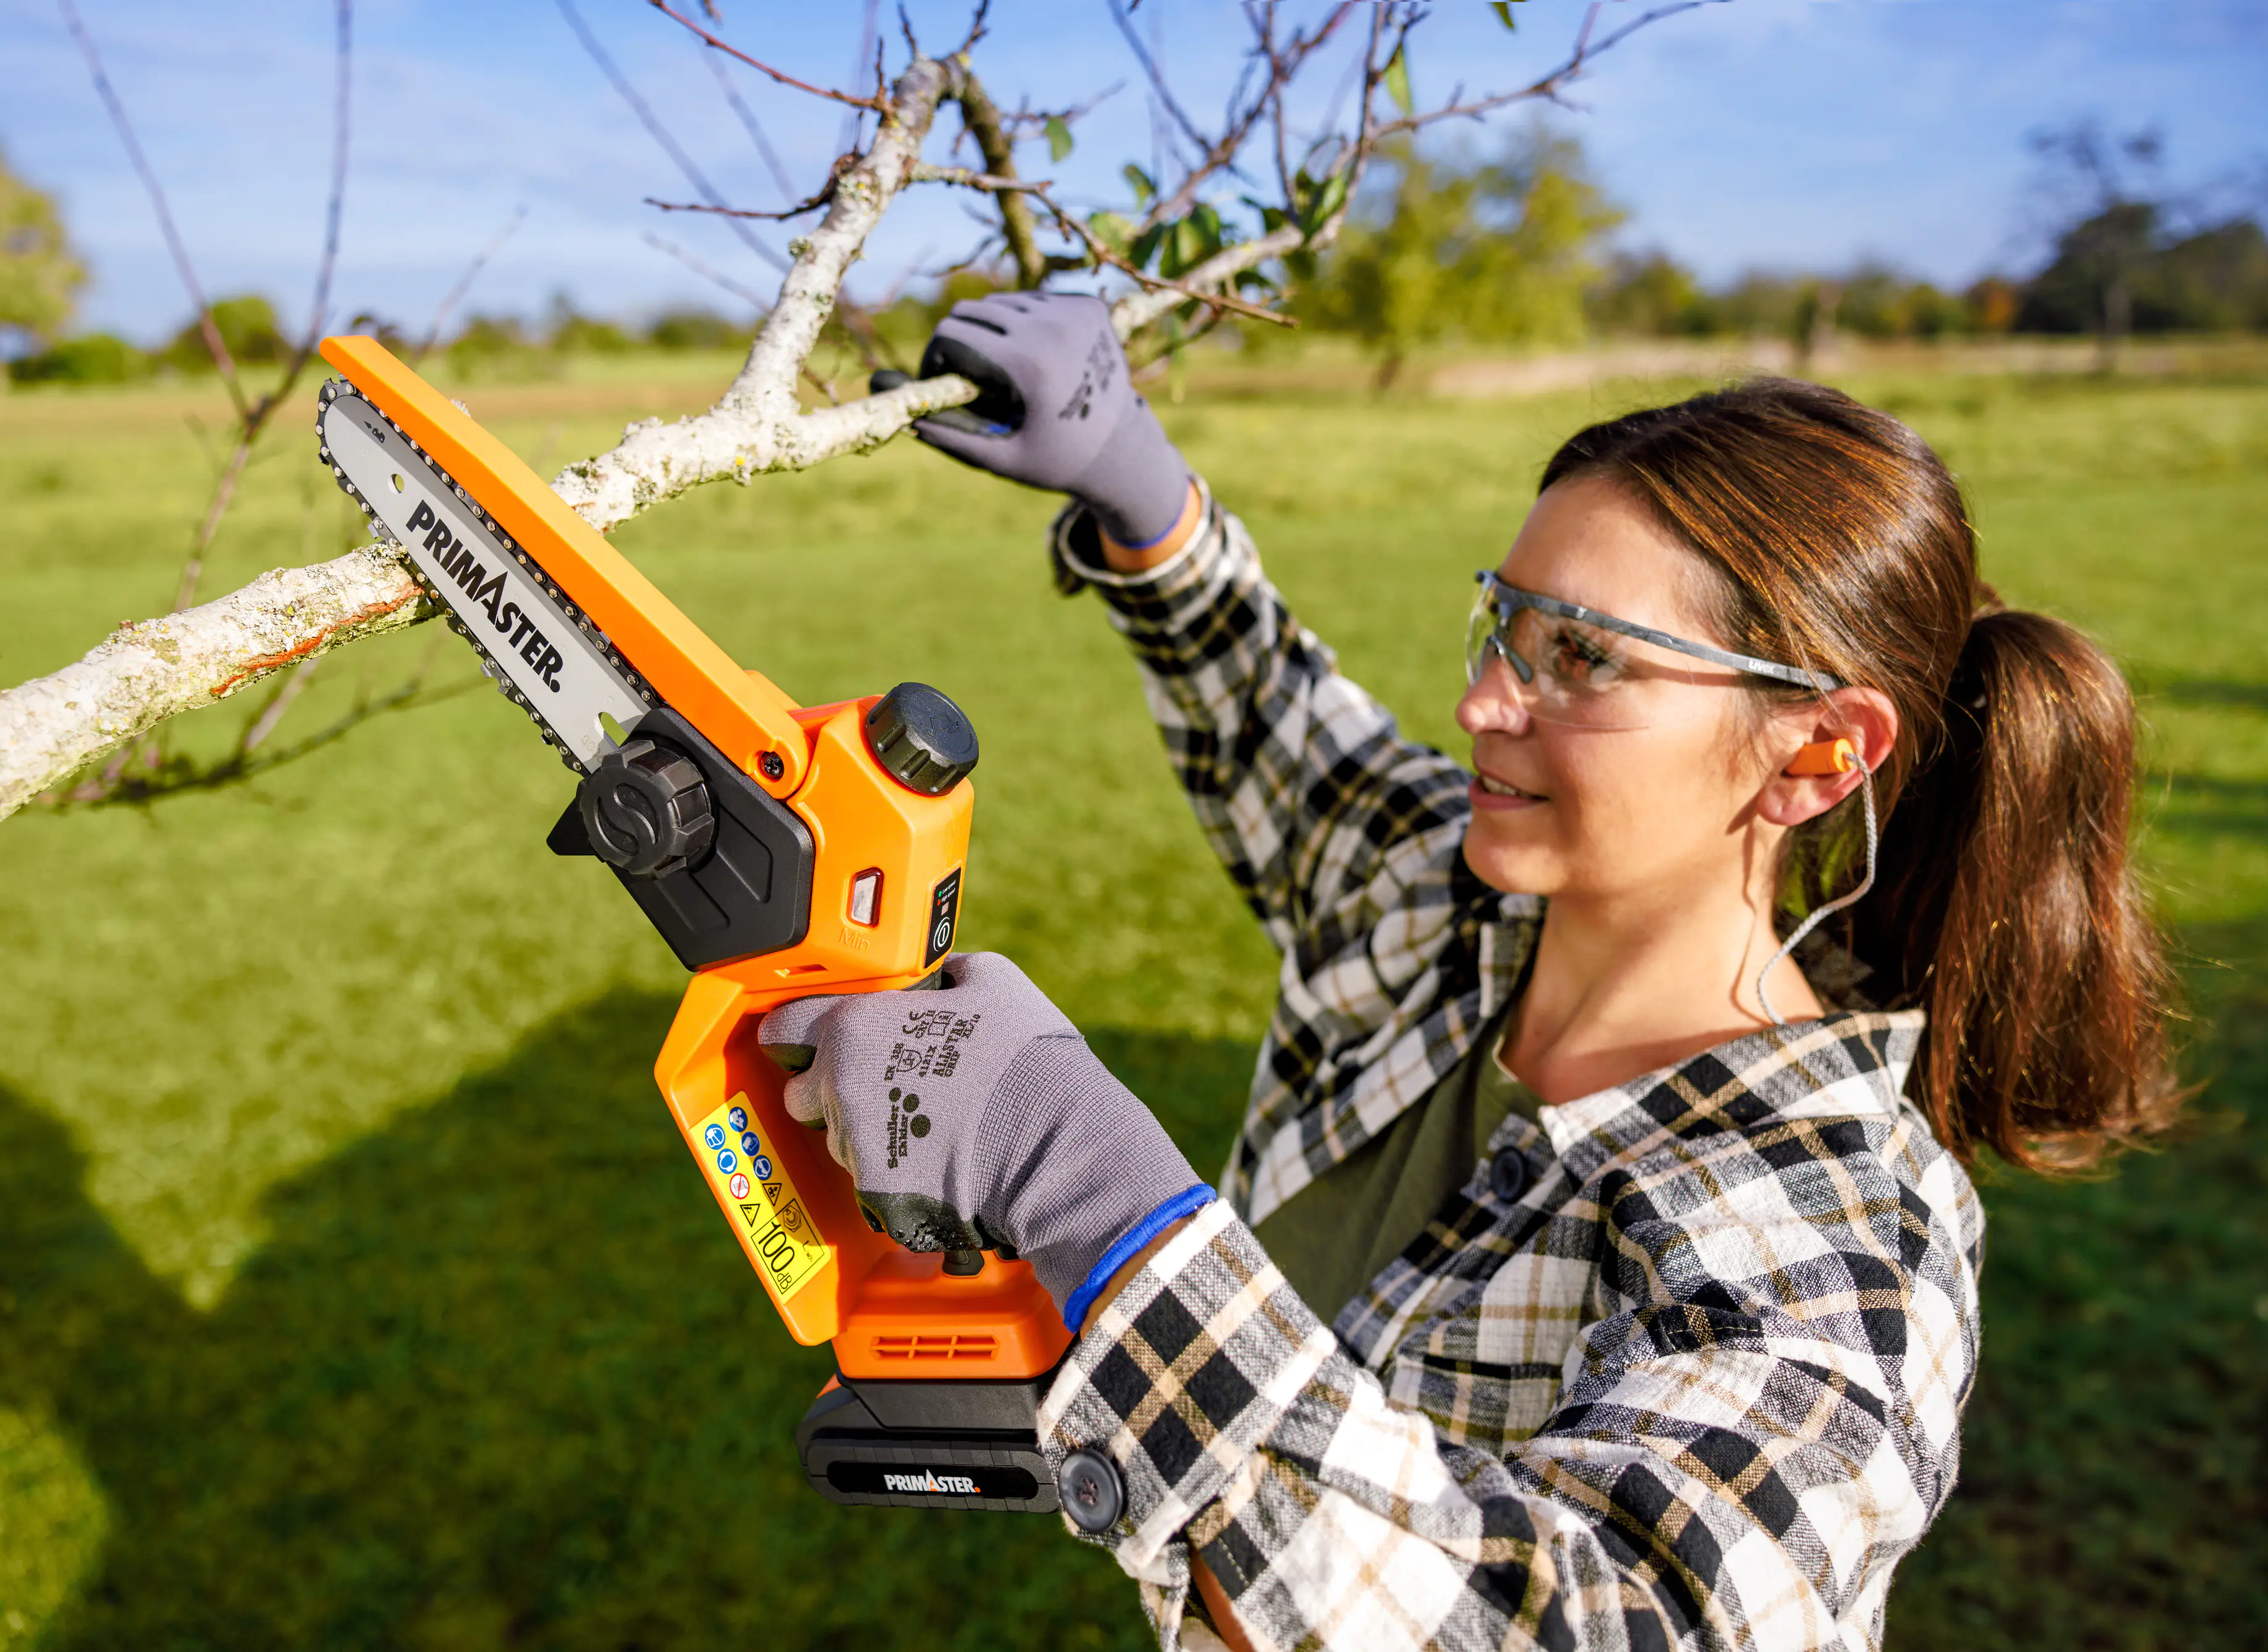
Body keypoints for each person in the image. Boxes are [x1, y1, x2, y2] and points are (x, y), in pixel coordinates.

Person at [759, 293, 2181, 1651]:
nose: (1484, 701)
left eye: (1584, 658)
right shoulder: (1449, 904)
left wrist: (1086, 1183)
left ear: (1815, 755)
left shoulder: (1841, 1231)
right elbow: (1279, 729)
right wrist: (1148, 506)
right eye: (1504, 621)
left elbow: (1586, 1620)